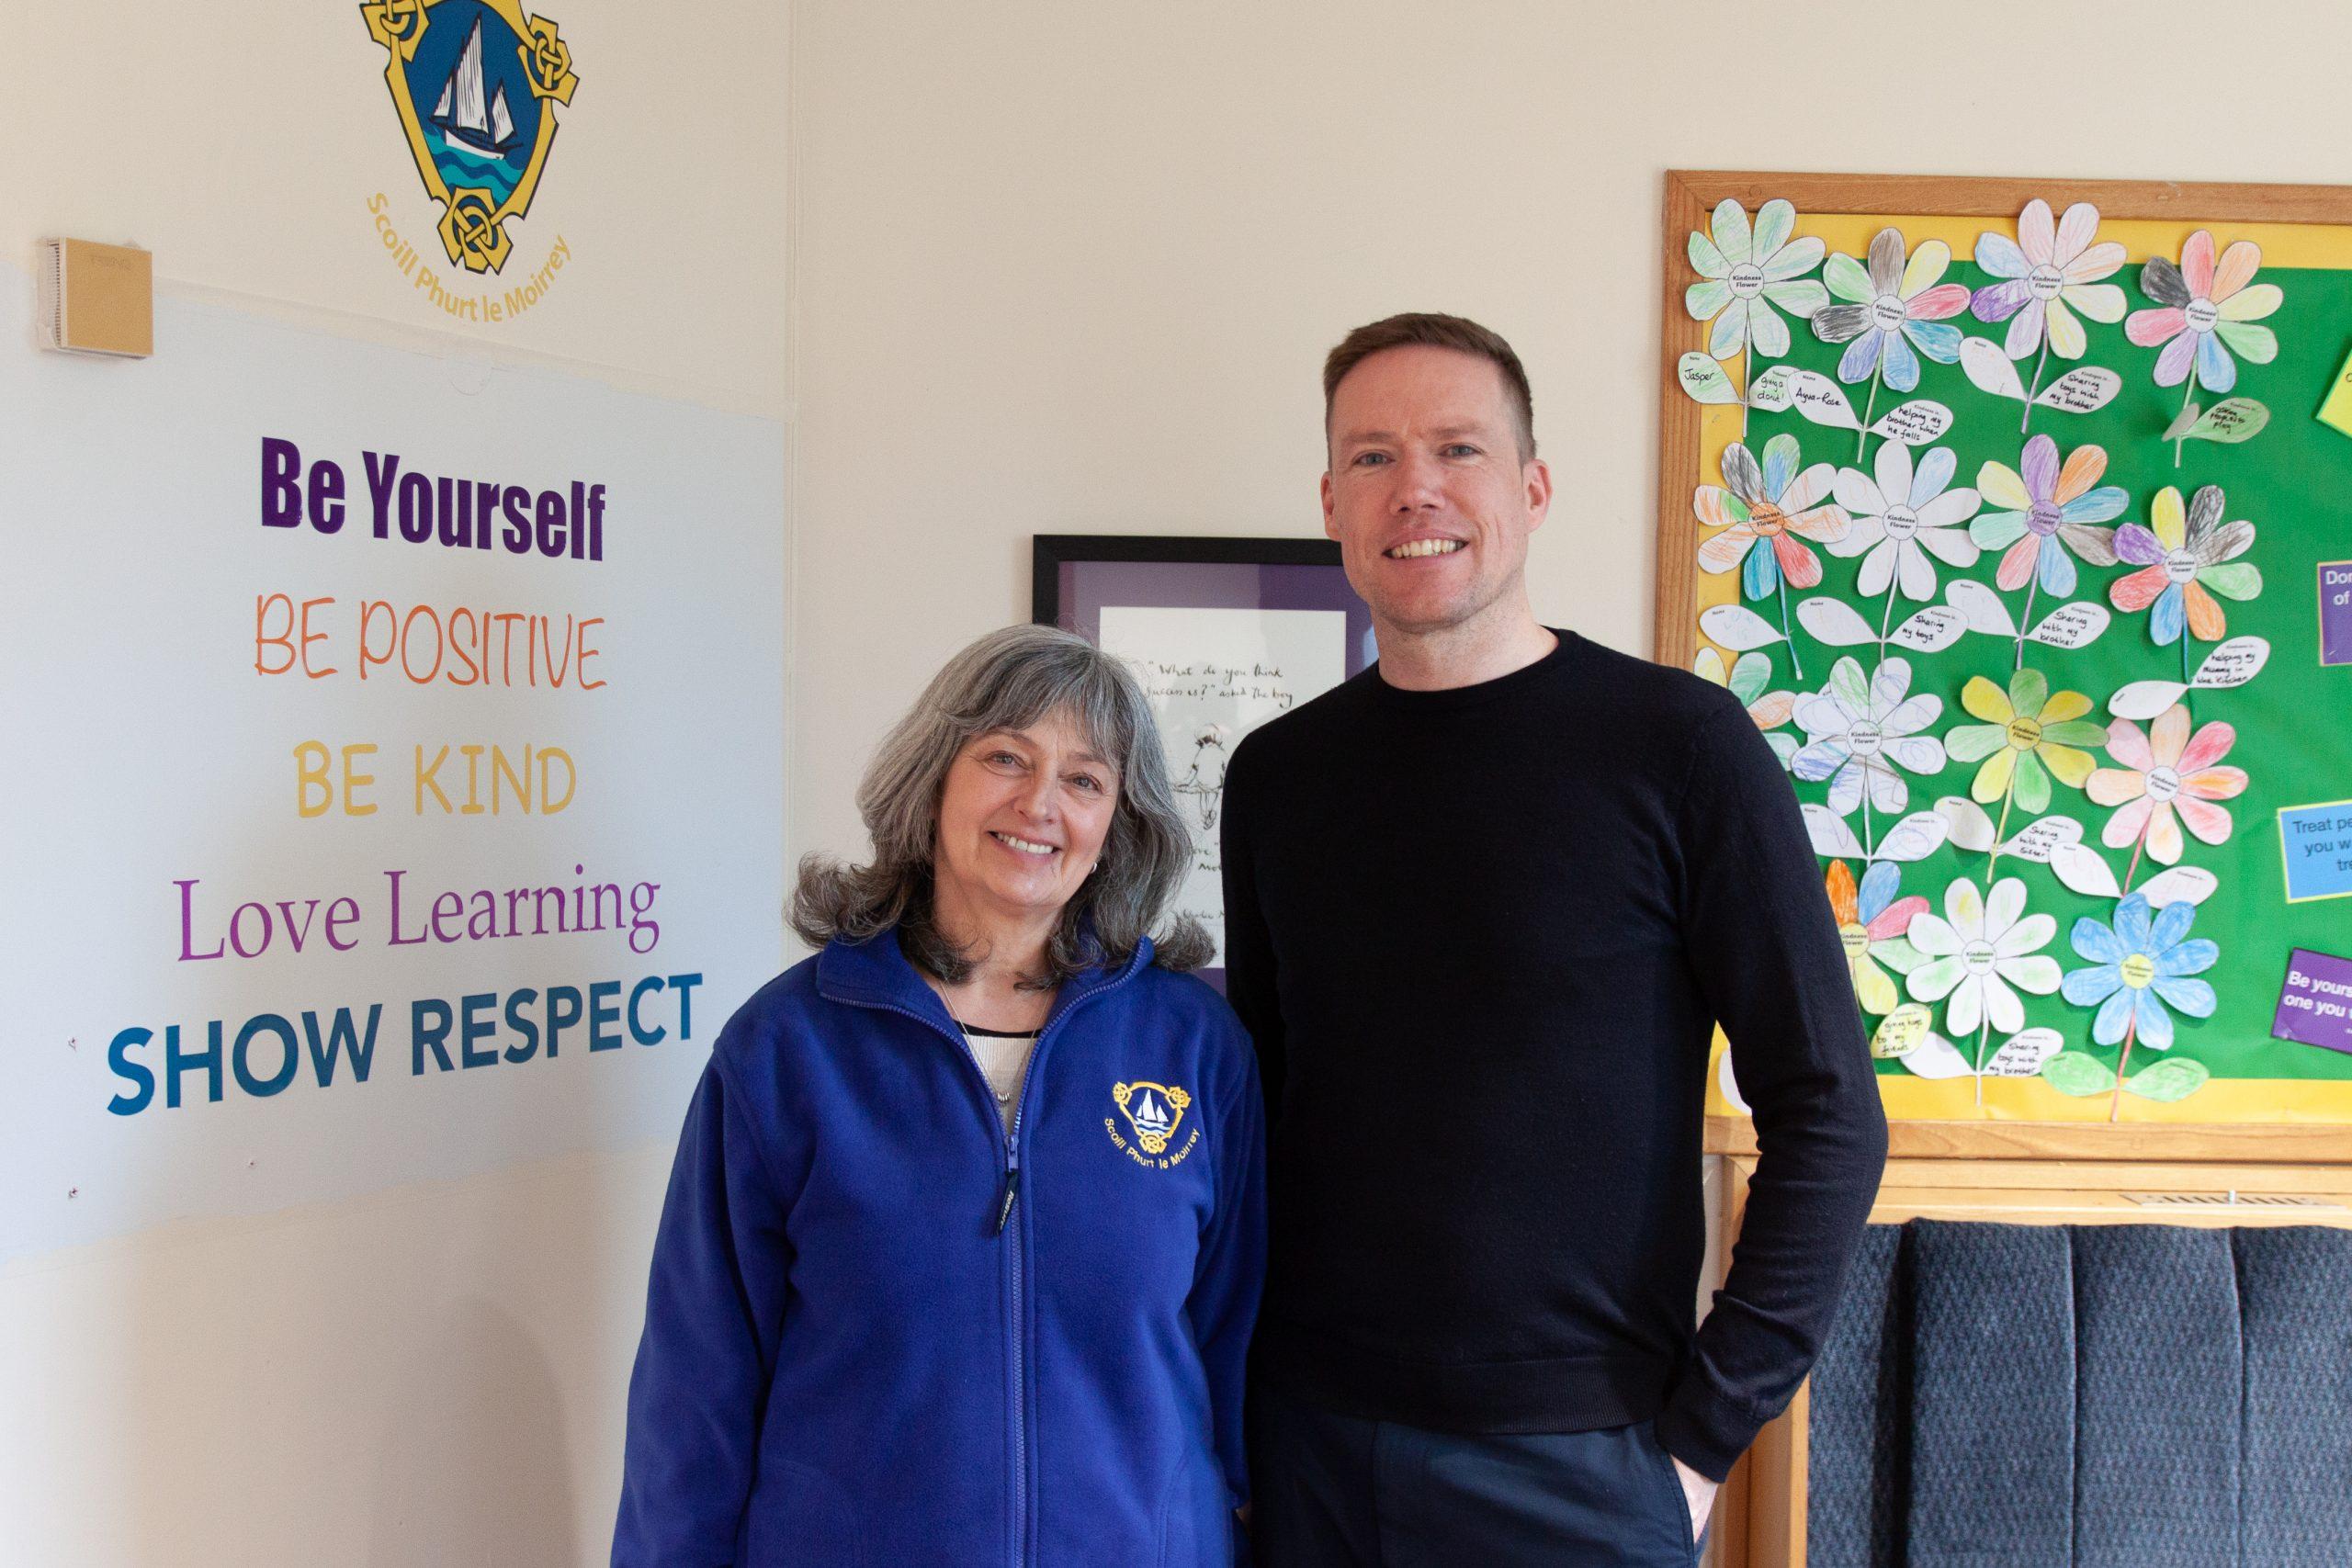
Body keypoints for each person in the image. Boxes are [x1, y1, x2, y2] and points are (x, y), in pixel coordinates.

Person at [1221, 313, 1887, 1566]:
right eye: (1371, 457)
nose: (1414, 486)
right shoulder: (1276, 776)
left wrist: (1704, 1436)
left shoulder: (1682, 748)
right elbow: (1261, 1099)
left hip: (1583, 1463)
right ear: (1330, 502)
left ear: (1531, 487)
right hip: (1310, 1449)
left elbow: (1831, 1106)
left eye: (1457, 447)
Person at [614, 624, 1266, 1568]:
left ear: (1120, 823)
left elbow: (1238, 1355)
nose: (1040, 803)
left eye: (1084, 779)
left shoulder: (1195, 1048)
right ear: (934, 782)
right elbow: (696, 1387)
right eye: (1006, 757)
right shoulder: (786, 1050)